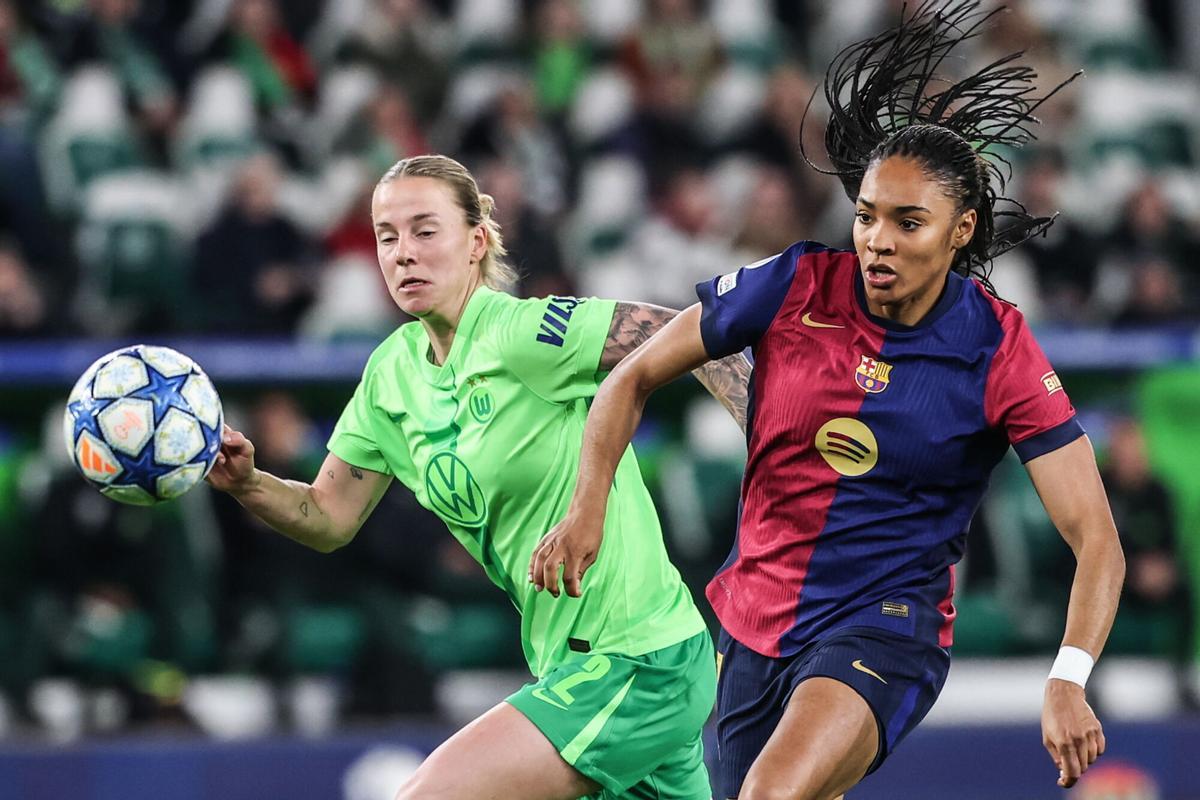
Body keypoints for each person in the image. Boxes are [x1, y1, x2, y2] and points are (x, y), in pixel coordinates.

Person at [531, 3, 1126, 798]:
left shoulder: (998, 348)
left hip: (885, 627)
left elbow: (1097, 539)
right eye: (867, 216)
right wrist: (587, 508)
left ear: (962, 231)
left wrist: (1068, 676)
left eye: (908, 222)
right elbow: (631, 375)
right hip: (751, 624)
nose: (878, 239)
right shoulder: (794, 284)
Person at [206, 153, 753, 799]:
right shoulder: (391, 374)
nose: (403, 253)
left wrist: (778, 447)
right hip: (571, 666)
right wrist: (248, 484)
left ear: (476, 241)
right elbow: (328, 517)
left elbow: (692, 332)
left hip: (640, 662)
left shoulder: (523, 331)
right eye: (387, 236)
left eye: (424, 230)